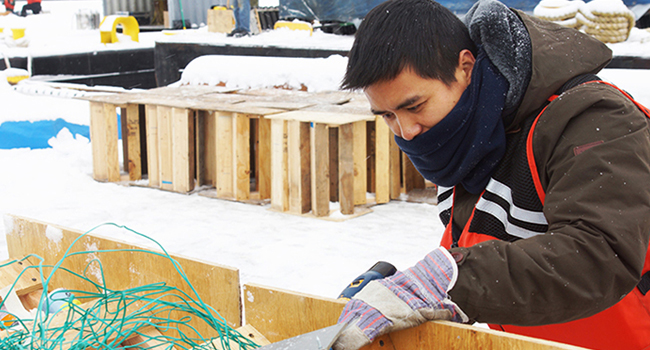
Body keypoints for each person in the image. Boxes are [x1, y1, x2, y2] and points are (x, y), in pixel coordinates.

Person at [332, 0, 650, 350]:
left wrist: (450, 281)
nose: (406, 131)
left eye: (414, 106)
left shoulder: (594, 120)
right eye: (387, 116)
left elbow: (599, 256)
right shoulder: (470, 140)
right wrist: (414, 293)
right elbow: (488, 250)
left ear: (465, 68)